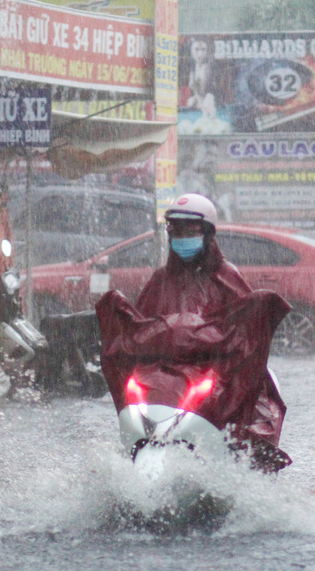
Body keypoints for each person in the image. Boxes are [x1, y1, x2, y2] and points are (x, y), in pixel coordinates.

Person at [98, 193, 291, 470]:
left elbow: (244, 337)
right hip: (163, 380)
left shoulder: (227, 278)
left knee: (252, 418)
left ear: (208, 234)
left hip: (212, 376)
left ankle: (245, 465)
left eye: (190, 229)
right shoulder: (160, 280)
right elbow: (139, 331)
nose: (182, 235)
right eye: (176, 229)